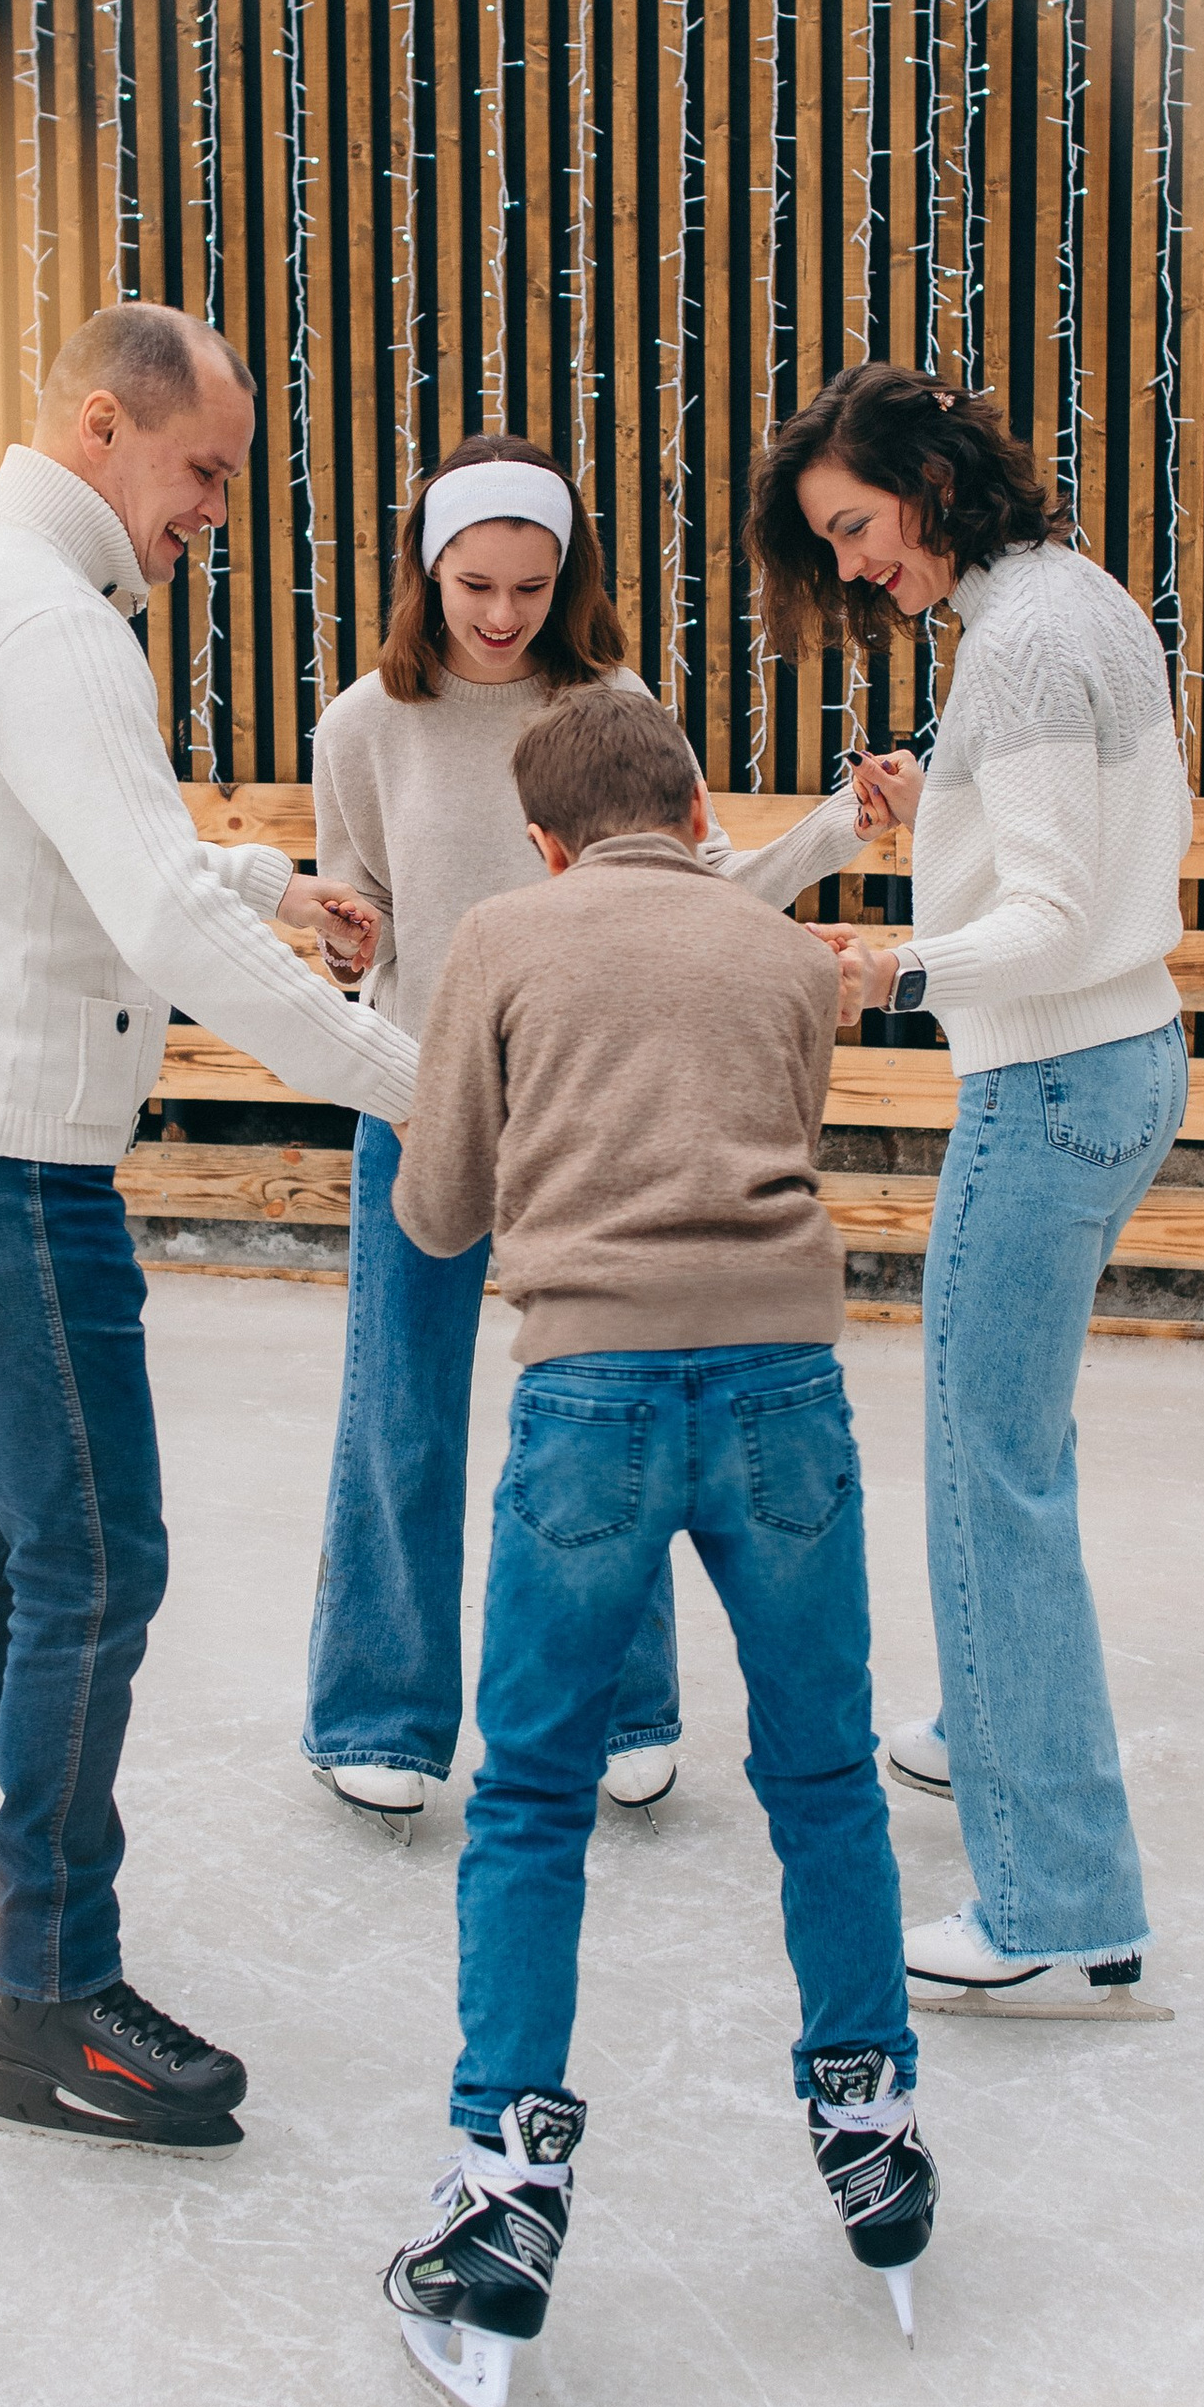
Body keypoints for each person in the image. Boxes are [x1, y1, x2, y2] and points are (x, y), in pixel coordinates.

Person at [0, 301, 418, 2157]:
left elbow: (85, 855)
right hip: (3, 1168)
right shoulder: (49, 620)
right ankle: (54, 1997)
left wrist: (268, 879)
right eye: (204, 472)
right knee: (96, 1563)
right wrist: (421, 1081)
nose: (217, 511)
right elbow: (157, 924)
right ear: (103, 426)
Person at [374, 683, 934, 2407]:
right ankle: (870, 2123)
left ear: (546, 838)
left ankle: (508, 2186)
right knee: (825, 1772)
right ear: (697, 811)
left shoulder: (505, 937)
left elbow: (442, 1210)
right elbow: (784, 1134)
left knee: (534, 1794)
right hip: (783, 1396)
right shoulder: (779, 956)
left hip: (588, 1404)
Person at [303, 432, 872, 1829]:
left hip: (598, 1097)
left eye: (533, 586)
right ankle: (379, 1710)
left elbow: (707, 886)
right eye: (475, 583)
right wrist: (344, 935)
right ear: (427, 572)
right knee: (405, 1408)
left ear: (570, 581)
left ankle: (626, 1704)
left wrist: (838, 829)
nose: (502, 614)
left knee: (608, 1406)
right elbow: (357, 900)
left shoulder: (615, 701)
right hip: (422, 1090)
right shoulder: (361, 725)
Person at [747, 361, 1190, 2006]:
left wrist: (890, 965)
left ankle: (1058, 1898)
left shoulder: (1026, 641)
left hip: (1054, 1075)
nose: (856, 564)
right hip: (1115, 1063)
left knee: (988, 1471)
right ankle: (988, 1726)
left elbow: (1056, 918)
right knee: (1017, 1446)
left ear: (933, 482)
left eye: (858, 526)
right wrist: (940, 819)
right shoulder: (1061, 607)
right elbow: (1079, 855)